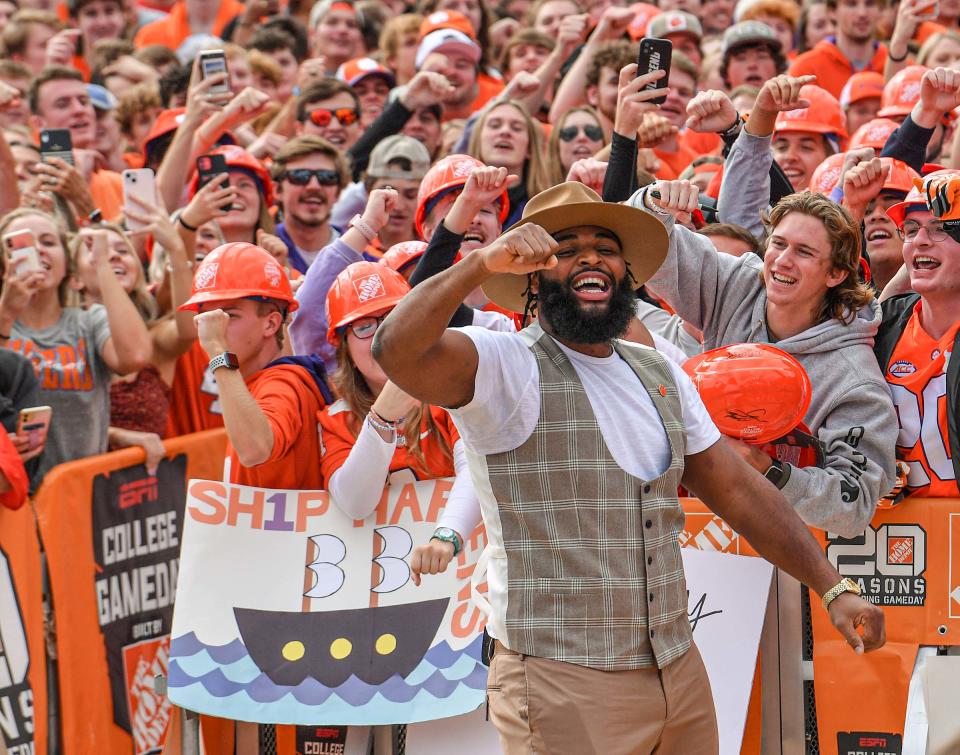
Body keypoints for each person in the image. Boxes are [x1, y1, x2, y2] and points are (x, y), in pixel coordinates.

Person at [372, 179, 885, 753]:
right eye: (566, 248)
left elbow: (738, 491)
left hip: (677, 668)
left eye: (606, 246)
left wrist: (832, 585)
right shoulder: (502, 363)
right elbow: (395, 349)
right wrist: (480, 265)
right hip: (560, 676)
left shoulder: (659, 372)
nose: (591, 257)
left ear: (626, 273)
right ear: (533, 273)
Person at [634, 175, 897, 536]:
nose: (782, 261)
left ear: (836, 273)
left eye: (804, 252)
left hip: (797, 558)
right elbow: (645, 247)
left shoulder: (853, 376)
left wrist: (764, 466)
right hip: (711, 539)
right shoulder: (737, 284)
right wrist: (653, 202)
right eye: (779, 244)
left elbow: (853, 505)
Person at [0, 210, 151, 483]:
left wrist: (102, 266)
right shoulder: (3, 323)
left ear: (68, 267)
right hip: (14, 500)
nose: (37, 252)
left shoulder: (89, 322)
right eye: (22, 245)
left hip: (81, 498)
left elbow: (135, 356)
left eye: (47, 242)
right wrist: (6, 314)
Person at [319, 261, 471, 522]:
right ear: (347, 351)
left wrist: (448, 535)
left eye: (392, 319)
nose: (382, 335)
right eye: (364, 327)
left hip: (458, 553)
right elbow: (355, 504)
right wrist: (381, 419)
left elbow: (475, 471)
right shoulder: (336, 419)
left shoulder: (450, 389)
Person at [182, 241, 333, 488]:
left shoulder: (282, 382)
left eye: (228, 315)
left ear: (271, 324)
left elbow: (255, 449)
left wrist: (218, 351)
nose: (213, 326)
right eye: (205, 315)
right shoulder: (261, 379)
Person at [877, 171, 960, 497]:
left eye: (940, 229)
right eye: (911, 231)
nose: (921, 240)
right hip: (900, 536)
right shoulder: (883, 325)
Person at [466, 100, 550, 226]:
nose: (505, 132)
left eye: (516, 128)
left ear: (530, 148)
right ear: (478, 141)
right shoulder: (455, 202)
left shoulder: (548, 206)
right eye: (494, 125)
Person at [789, 0, 887, 99]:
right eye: (851, 4)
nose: (862, 13)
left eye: (870, 4)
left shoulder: (896, 64)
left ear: (881, 10)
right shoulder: (805, 68)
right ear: (832, 11)